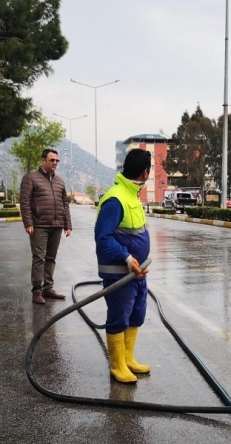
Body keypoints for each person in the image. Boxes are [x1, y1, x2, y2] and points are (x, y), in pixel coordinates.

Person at [94, 149, 152, 384]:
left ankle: (128, 358)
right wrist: (128, 258)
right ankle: (117, 365)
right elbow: (103, 237)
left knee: (136, 315)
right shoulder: (116, 199)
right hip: (120, 274)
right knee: (119, 317)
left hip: (137, 274)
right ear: (145, 172)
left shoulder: (132, 195)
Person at [19, 148, 72, 305]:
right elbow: (25, 202)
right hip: (39, 225)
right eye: (52, 160)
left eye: (57, 160)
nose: (55, 163)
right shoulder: (30, 178)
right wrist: (28, 223)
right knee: (39, 258)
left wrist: (67, 225)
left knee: (51, 258)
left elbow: (65, 204)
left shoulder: (60, 181)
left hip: (56, 225)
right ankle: (37, 291)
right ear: (43, 160)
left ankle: (48, 288)